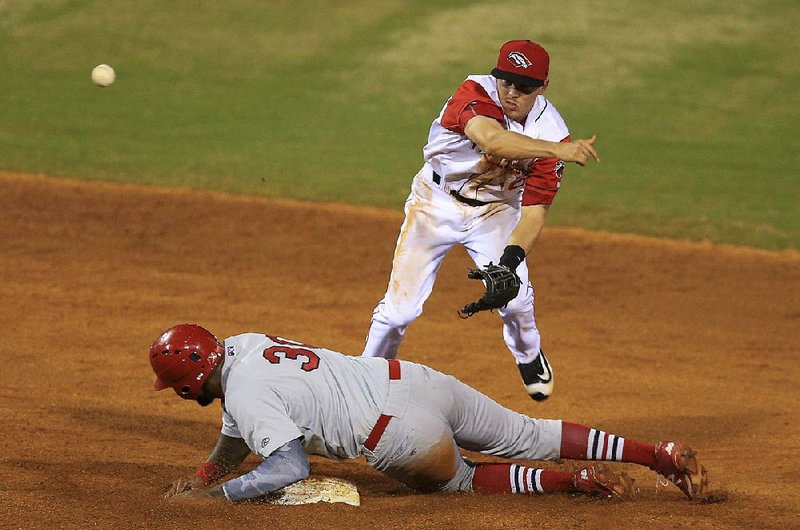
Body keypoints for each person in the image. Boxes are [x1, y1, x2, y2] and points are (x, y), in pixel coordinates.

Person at [150, 324, 708, 503]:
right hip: (417, 382)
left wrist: (218, 495)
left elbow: (288, 468)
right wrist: (205, 474)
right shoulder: (242, 345)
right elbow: (235, 433)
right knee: (528, 431)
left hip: (401, 436)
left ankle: (572, 483)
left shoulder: (245, 395)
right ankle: (654, 454)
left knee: (460, 479)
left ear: (185, 388)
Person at [362, 40, 601, 402]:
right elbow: (492, 140)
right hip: (435, 203)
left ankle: (528, 355)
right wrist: (556, 151)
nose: (511, 93)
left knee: (517, 301)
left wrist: (509, 261)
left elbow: (535, 211)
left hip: (496, 212)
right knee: (398, 313)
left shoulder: (552, 132)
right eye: (506, 81)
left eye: (524, 87)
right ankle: (362, 382)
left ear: (543, 88)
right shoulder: (473, 92)